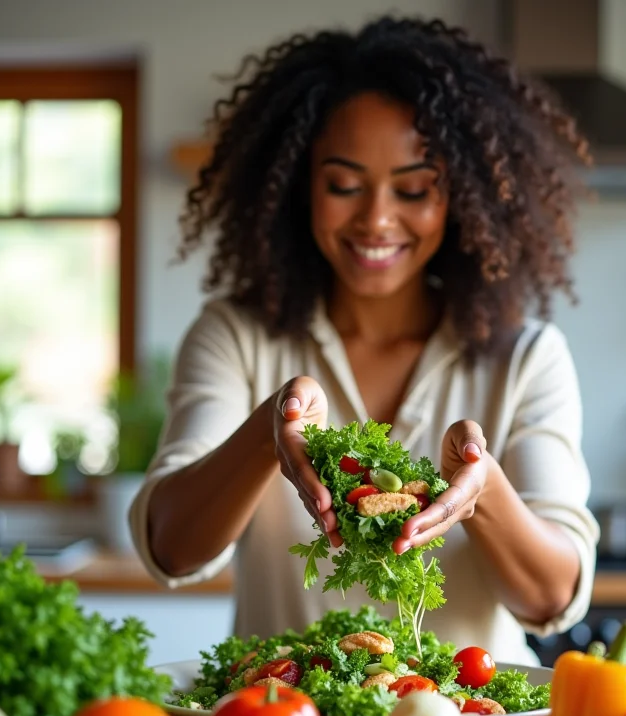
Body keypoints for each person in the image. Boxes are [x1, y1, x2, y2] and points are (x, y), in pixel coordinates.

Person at [129, 15, 600, 665]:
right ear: (301, 186)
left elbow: (552, 598)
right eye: (344, 185)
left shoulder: (526, 357)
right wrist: (270, 428)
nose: (377, 219)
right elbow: (171, 548)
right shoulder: (236, 337)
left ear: (461, 198)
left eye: (413, 189)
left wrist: (483, 492)